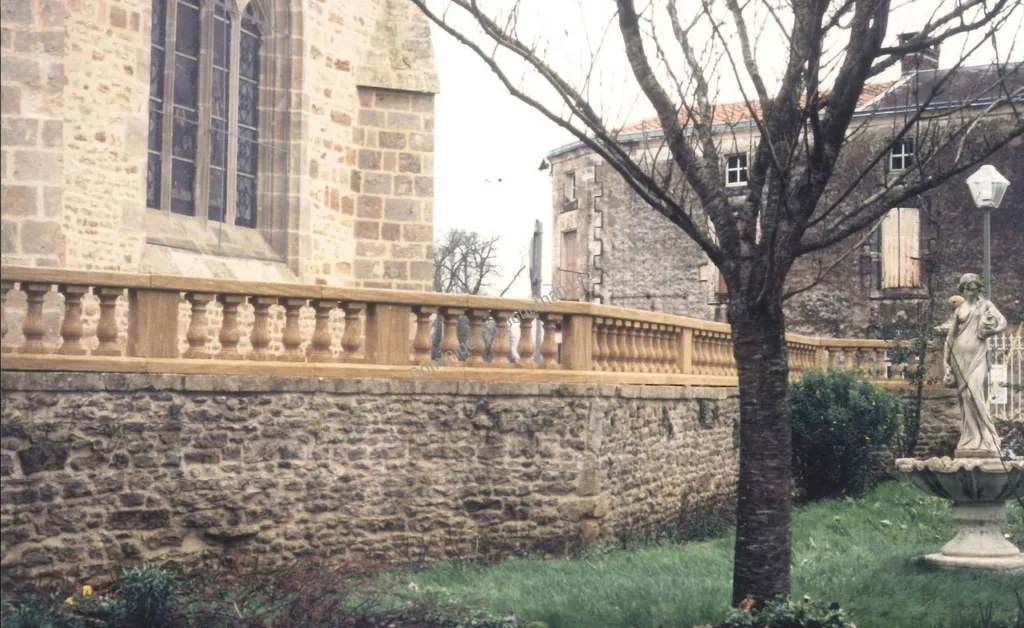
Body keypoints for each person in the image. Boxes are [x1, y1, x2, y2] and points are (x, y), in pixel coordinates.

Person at [943, 273, 1007, 456]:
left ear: (978, 288)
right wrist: (945, 362)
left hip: (978, 356)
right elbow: (950, 337)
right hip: (959, 356)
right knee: (965, 397)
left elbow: (1003, 322)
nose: (971, 292)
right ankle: (972, 438)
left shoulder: (986, 305)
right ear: (962, 289)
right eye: (967, 289)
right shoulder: (959, 310)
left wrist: (992, 330)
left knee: (974, 393)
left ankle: (990, 436)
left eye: (974, 289)